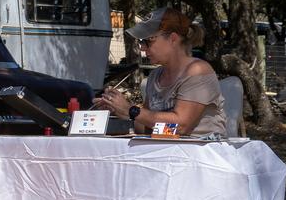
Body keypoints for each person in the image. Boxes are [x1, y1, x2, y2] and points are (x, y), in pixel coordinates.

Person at [95, 7, 227, 136]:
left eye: (148, 40)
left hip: (201, 149)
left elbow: (180, 128)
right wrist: (120, 111)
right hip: (169, 148)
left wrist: (131, 110)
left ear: (173, 39)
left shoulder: (197, 71)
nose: (142, 48)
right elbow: (150, 128)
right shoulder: (155, 76)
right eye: (141, 41)